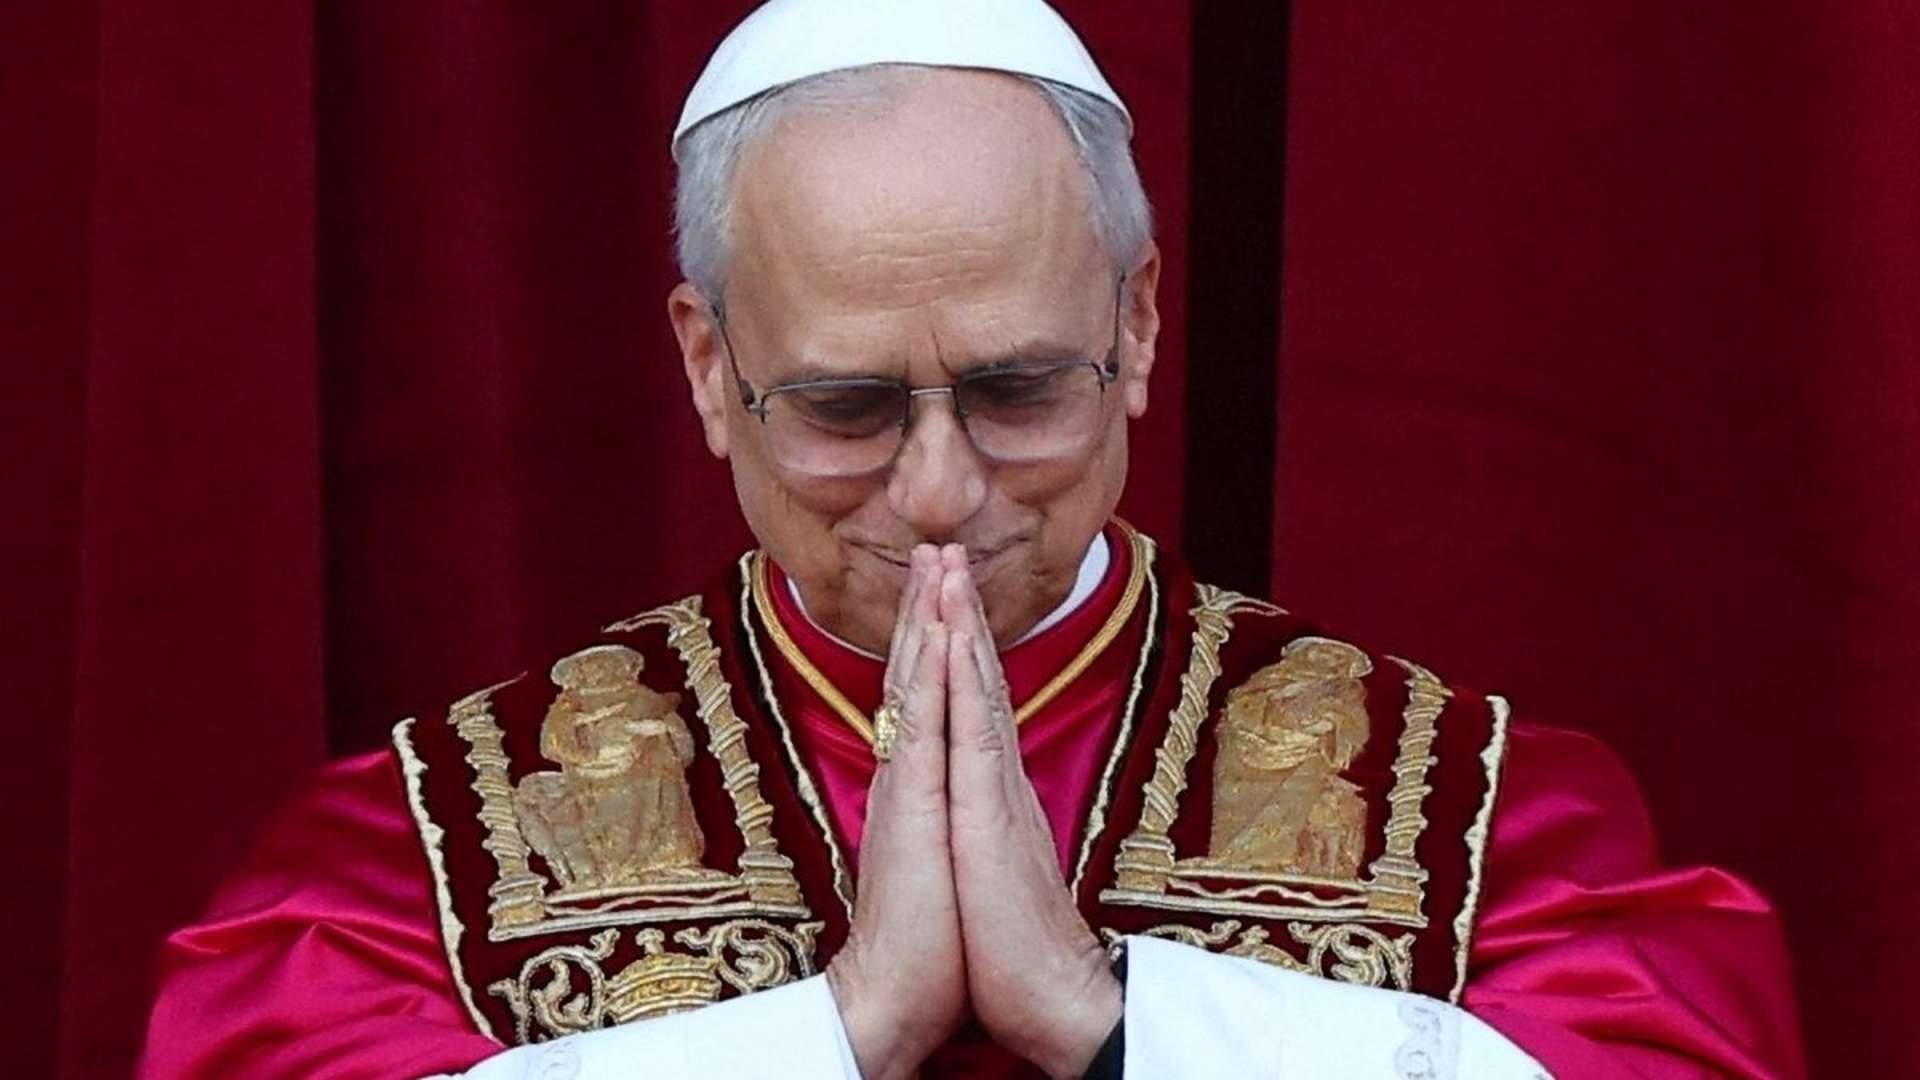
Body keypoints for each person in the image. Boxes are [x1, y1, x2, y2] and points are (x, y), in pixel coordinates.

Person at [138, 1, 1804, 1077]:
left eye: (1019, 391)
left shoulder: (1470, 818)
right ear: (711, 369)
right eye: (848, 408)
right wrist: (840, 1035)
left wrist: (1113, 1022)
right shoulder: (426, 858)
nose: (940, 492)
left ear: (1141, 327)